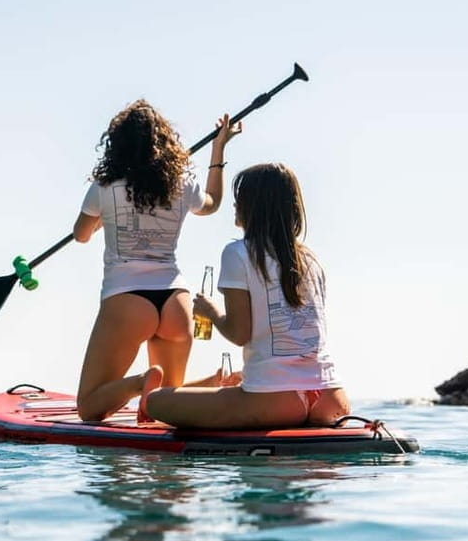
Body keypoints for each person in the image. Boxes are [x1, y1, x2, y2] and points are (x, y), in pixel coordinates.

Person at [140, 163, 350, 429]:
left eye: (239, 198)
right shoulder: (311, 259)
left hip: (276, 401)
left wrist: (210, 311)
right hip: (331, 397)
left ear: (253, 207)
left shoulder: (238, 253)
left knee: (156, 401)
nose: (234, 205)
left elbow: (239, 333)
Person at [72, 99, 242, 422]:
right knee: (166, 407)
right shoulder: (181, 183)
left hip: (126, 299)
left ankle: (140, 382)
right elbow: (213, 203)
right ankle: (206, 384)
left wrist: (103, 219)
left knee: (89, 407)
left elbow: (81, 234)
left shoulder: (104, 187)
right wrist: (218, 149)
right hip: (175, 300)